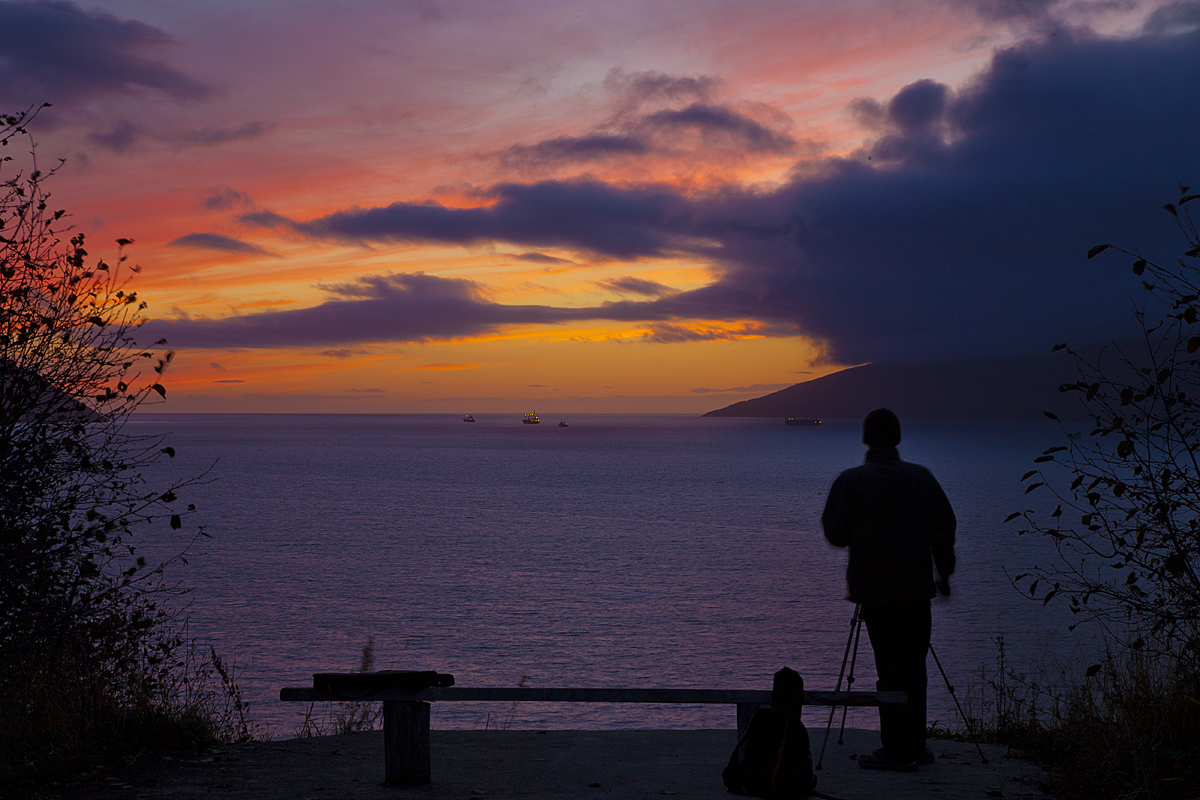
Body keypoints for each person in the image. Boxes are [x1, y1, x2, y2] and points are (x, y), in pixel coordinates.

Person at [821, 408, 956, 771]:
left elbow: (835, 534)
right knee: (916, 668)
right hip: (917, 590)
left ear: (866, 438)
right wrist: (944, 575)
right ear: (897, 438)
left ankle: (896, 750)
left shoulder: (852, 481)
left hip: (876, 593)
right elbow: (945, 529)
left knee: (891, 669)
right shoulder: (922, 478)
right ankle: (915, 746)